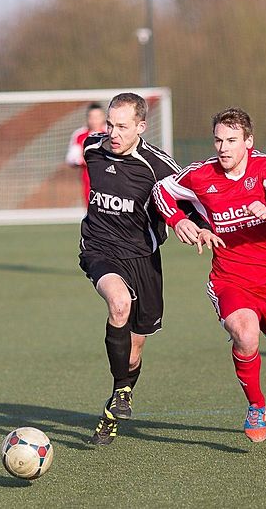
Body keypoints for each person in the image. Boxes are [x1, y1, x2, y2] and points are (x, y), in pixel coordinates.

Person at [153, 107, 266, 442]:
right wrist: (180, 221)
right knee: (245, 334)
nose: (223, 147)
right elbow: (160, 191)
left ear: (248, 141)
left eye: (231, 140)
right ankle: (256, 405)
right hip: (230, 275)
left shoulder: (265, 166)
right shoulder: (200, 175)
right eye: (218, 140)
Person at [79, 93, 205, 445]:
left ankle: (114, 406)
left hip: (143, 258)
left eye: (121, 126)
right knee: (118, 303)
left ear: (141, 126)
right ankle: (122, 394)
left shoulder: (158, 165)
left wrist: (197, 226)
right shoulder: (92, 148)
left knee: (134, 352)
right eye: (109, 124)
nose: (112, 133)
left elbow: (190, 201)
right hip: (99, 249)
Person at [65, 103, 107, 207]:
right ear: (88, 118)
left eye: (98, 117)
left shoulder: (111, 133)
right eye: (92, 117)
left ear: (103, 117)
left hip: (111, 178)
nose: (95, 120)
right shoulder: (80, 135)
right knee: (92, 213)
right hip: (89, 180)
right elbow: (71, 158)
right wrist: (82, 160)